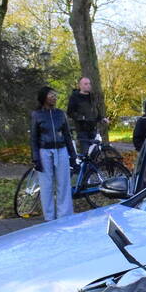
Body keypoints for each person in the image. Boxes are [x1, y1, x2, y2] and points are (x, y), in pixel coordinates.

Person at [30, 86, 77, 221]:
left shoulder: (60, 114)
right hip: (44, 152)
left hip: (61, 151)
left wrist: (73, 156)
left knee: (64, 183)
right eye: (51, 95)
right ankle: (49, 218)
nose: (54, 97)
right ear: (44, 97)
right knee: (46, 185)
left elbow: (67, 135)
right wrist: (35, 158)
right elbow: (33, 138)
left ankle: (65, 216)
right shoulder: (37, 115)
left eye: (55, 95)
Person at [66, 76, 105, 156]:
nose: (88, 85)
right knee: (86, 154)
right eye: (86, 84)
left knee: (95, 153)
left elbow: (96, 109)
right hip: (82, 130)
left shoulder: (92, 96)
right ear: (80, 85)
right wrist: (82, 117)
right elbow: (70, 112)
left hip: (93, 129)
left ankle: (95, 167)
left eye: (89, 84)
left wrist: (101, 118)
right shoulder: (74, 97)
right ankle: (85, 168)